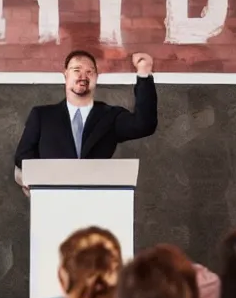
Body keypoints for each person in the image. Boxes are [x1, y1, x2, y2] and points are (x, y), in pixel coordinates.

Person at [14, 50, 158, 194]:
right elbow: (23, 156)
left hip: (97, 201)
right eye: (76, 70)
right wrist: (36, 182)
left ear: (96, 77)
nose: (83, 76)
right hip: (51, 199)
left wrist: (144, 73)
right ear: (65, 74)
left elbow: (144, 124)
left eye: (90, 72)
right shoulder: (42, 115)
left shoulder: (110, 116)